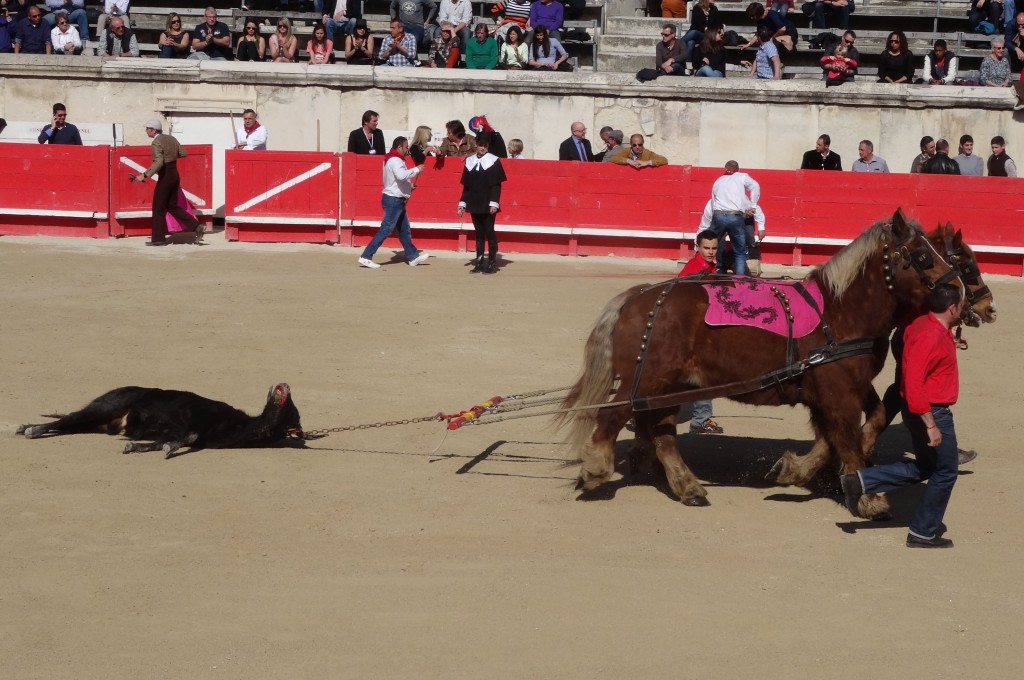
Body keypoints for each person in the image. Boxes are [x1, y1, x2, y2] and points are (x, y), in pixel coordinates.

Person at [840, 284, 967, 549]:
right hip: (931, 411)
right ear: (952, 308)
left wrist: (951, 340)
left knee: (926, 466)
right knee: (945, 471)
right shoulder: (931, 335)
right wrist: (930, 423)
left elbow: (920, 349)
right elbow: (913, 380)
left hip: (922, 409)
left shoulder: (922, 324)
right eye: (962, 304)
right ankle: (923, 532)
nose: (964, 308)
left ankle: (862, 480)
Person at [676, 229, 726, 435]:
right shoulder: (692, 271)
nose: (711, 252)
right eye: (706, 248)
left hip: (697, 329)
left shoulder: (711, 267)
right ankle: (701, 419)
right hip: (689, 332)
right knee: (703, 374)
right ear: (698, 247)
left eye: (714, 248)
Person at [357, 136, 430, 269]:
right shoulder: (395, 160)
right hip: (394, 200)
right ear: (399, 147)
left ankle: (413, 256)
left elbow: (396, 180)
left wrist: (408, 186)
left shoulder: (391, 159)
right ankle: (366, 256)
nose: (407, 149)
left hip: (394, 199)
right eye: (406, 147)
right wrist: (417, 169)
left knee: (403, 230)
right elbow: (401, 176)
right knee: (386, 229)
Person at [130, 119, 204, 247]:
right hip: (174, 174)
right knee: (172, 206)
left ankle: (158, 239)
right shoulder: (171, 138)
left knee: (158, 208)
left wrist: (144, 175)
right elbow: (183, 153)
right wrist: (171, 157)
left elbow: (158, 162)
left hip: (165, 176)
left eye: (147, 129)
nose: (146, 131)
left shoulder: (156, 142)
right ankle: (196, 226)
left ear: (153, 130)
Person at [458, 131, 508, 274]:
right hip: (474, 201)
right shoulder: (470, 160)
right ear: (476, 145)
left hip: (487, 202)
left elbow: (496, 185)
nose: (482, 147)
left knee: (489, 232)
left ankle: (492, 263)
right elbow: (466, 186)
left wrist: (494, 203)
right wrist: (462, 203)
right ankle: (479, 263)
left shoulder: (494, 161)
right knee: (479, 233)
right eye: (480, 145)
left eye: (485, 145)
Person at [706, 160, 760, 275]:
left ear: (725, 168)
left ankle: (706, 271)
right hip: (735, 216)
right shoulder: (741, 176)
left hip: (718, 215)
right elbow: (755, 186)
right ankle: (740, 280)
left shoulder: (718, 181)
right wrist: (753, 206)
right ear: (738, 169)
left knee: (708, 244)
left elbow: (713, 203)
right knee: (740, 252)